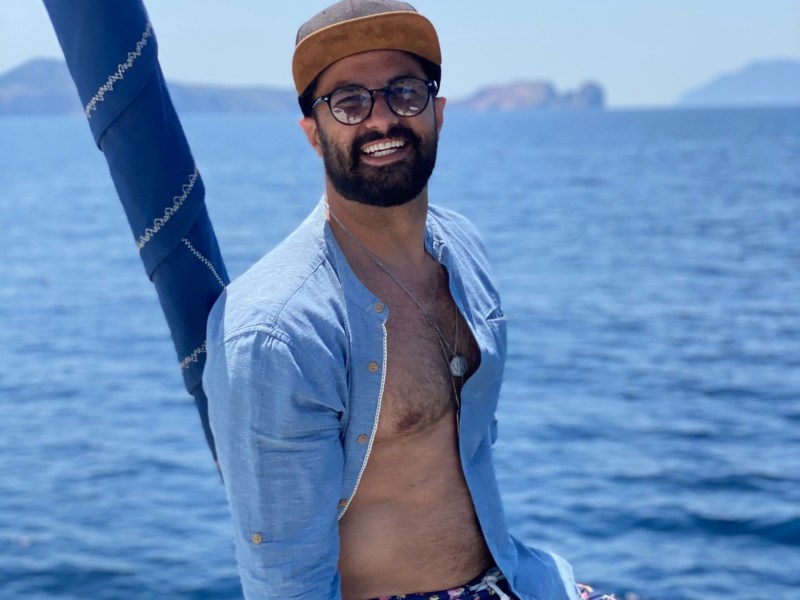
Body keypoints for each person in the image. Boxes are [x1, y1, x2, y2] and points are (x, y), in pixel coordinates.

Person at [204, 2, 606, 599]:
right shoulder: (277, 332)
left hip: (516, 579)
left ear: (438, 113)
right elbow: (284, 578)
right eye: (348, 101)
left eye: (404, 92)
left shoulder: (464, 247)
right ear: (313, 133)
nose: (382, 119)